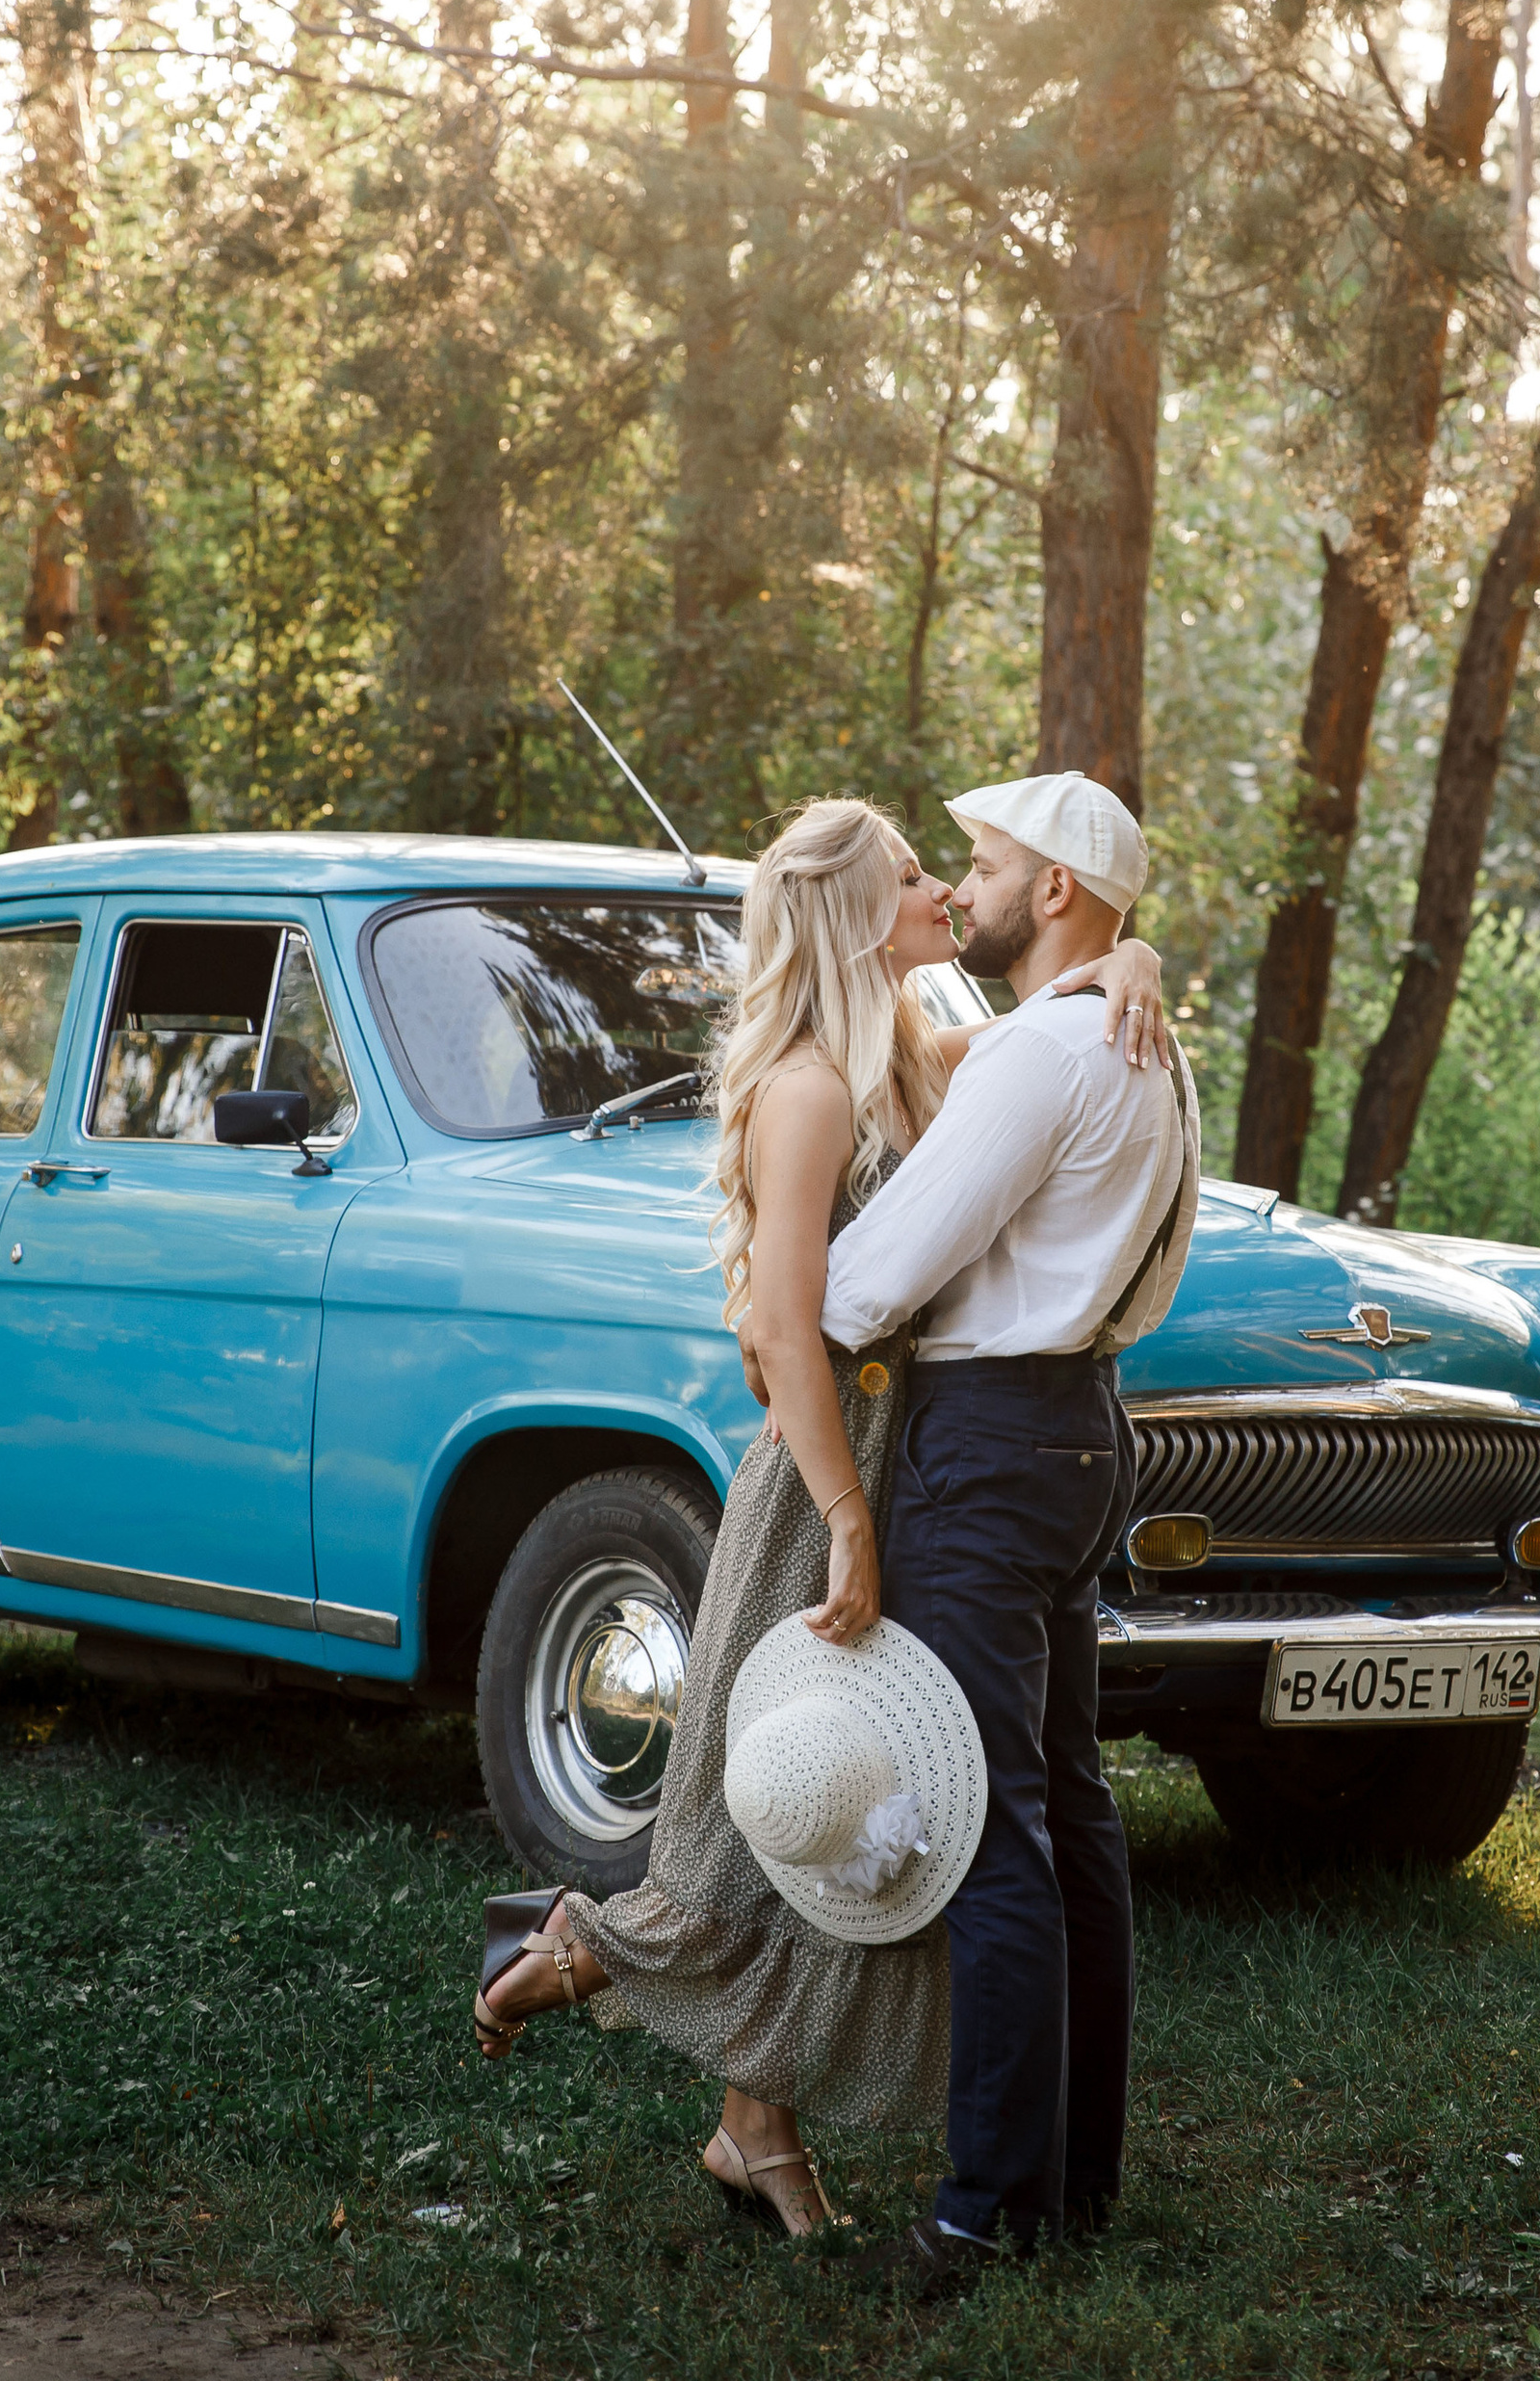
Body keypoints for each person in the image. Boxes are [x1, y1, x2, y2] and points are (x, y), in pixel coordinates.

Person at [468, 796, 1166, 2238]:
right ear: (853, 916)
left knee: (851, 1805)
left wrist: (1129, 956)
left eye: (952, 870)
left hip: (918, 1460)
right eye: (913, 877)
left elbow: (1037, 1044)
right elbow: (792, 1323)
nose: (943, 892)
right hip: (831, 1477)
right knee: (773, 1816)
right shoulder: (805, 1089)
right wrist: (848, 1516)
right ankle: (566, 1954)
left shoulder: (914, 1057)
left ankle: (754, 2123)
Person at [817, 770, 1200, 2290]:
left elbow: (873, 1281)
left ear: (1053, 891)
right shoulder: (1148, 1043)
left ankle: (977, 2212)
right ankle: (1071, 2184)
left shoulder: (1049, 1049)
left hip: (987, 1442)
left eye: (981, 865)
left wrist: (787, 1288)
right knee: (1070, 1809)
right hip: (1086, 1422)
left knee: (990, 1822)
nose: (963, 887)